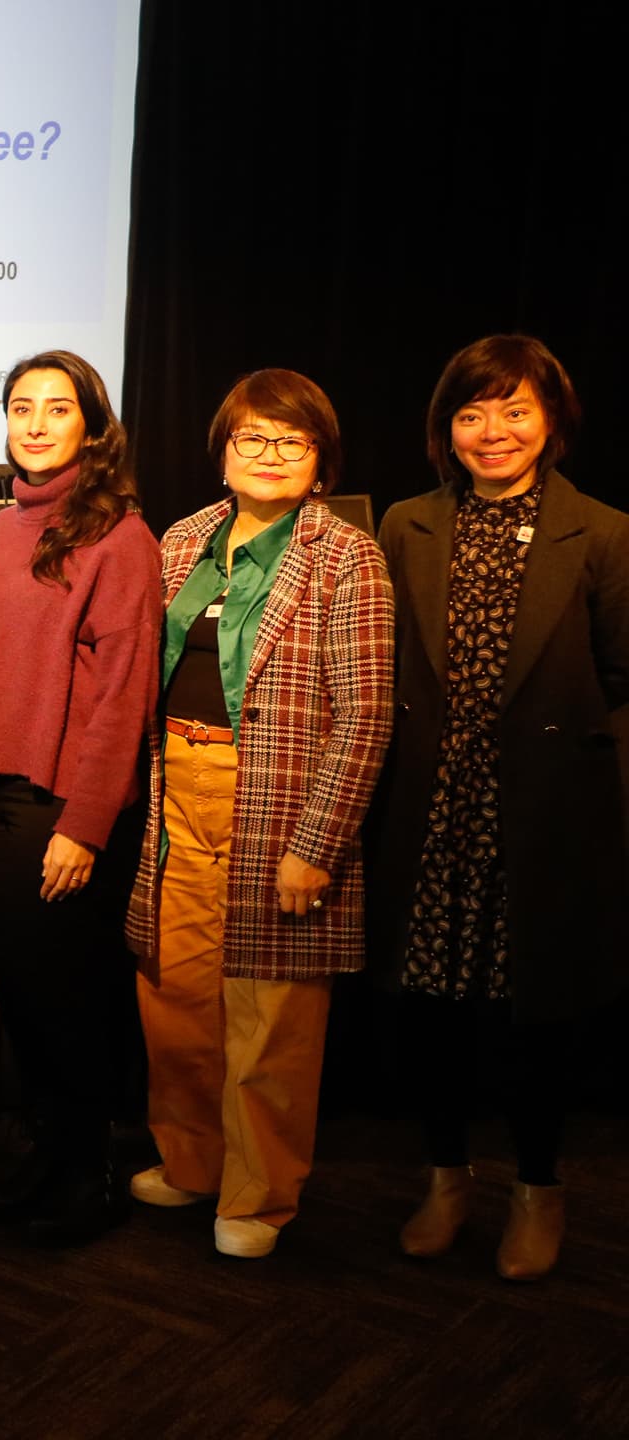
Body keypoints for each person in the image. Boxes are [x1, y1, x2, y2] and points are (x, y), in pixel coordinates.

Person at [370, 335, 628, 1281]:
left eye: (514, 410)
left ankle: (538, 1190)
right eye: (472, 413)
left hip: (546, 821)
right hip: (430, 811)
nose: (494, 431)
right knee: (431, 1015)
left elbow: (623, 681)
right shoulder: (407, 524)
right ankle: (445, 1181)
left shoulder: (603, 533)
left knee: (537, 1022)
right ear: (447, 430)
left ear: (551, 420)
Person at [125, 369, 394, 1259]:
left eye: (292, 440)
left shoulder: (346, 554)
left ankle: (258, 1194)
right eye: (253, 438)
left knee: (270, 1019)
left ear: (320, 461)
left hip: (278, 804)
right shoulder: (185, 539)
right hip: (180, 797)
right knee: (177, 1000)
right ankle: (193, 1162)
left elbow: (365, 712)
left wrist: (318, 844)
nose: (270, 454)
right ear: (224, 451)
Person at [0, 351, 163, 1246]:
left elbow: (124, 697)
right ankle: (48, 1160)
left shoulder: (120, 537)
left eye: (57, 408)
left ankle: (90, 1176)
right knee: (30, 1008)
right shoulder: (4, 529)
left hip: (60, 809)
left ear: (93, 424)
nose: (36, 423)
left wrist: (84, 826)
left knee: (73, 1009)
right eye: (20, 407)